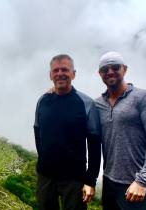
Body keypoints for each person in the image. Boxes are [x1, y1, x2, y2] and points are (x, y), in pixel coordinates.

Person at [95, 51, 146, 210]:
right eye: (105, 69)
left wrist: (143, 181)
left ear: (124, 69)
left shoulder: (144, 98)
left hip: (135, 186)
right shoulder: (97, 104)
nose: (110, 71)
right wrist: (55, 91)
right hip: (109, 182)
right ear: (100, 74)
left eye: (115, 67)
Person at [34, 54, 101, 210]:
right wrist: (44, 160)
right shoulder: (42, 101)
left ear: (73, 74)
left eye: (64, 69)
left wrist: (90, 180)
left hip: (74, 179)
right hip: (45, 177)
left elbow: (94, 144)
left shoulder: (86, 103)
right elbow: (38, 133)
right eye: (55, 70)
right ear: (50, 75)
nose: (60, 73)